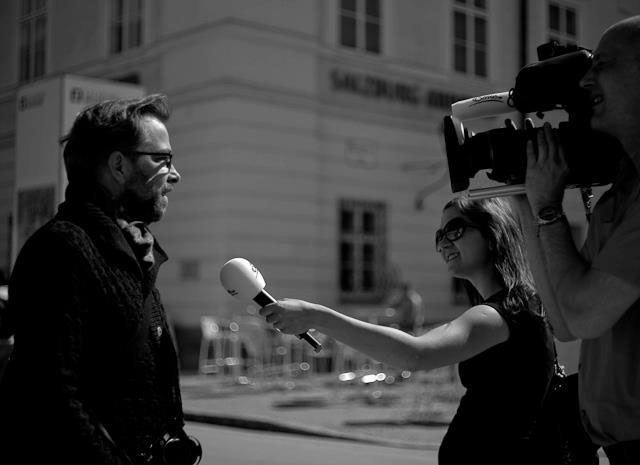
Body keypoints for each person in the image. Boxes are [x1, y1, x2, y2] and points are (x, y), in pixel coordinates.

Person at [260, 197, 556, 465]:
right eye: (439, 236)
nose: (443, 244)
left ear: (493, 235)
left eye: (454, 229)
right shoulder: (519, 305)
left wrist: (317, 316)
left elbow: (415, 354)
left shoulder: (499, 314)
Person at [0, 94, 192, 464]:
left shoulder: (132, 249)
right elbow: (51, 396)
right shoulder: (63, 248)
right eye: (161, 159)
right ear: (118, 165)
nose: (174, 174)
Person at [516, 15, 640, 465]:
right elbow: (565, 320)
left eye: (603, 64)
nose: (587, 78)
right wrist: (525, 204)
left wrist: (549, 211)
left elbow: (584, 315)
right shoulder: (616, 201)